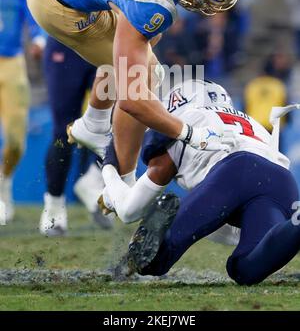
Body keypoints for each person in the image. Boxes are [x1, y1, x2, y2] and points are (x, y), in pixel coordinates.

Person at [25, 0, 248, 184]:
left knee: (139, 44)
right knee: (147, 75)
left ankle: (93, 123)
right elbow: (132, 100)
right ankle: (123, 182)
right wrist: (189, 133)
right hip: (56, 1)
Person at [100, 79, 300, 286]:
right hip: (282, 183)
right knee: (246, 268)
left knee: (152, 261)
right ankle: (296, 224)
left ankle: (159, 246)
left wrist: (109, 168)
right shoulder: (253, 123)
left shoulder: (180, 124)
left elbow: (131, 210)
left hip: (234, 173)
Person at [39, 0, 129, 236]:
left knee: (116, 121)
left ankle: (94, 186)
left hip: (108, 41)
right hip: (65, 42)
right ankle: (54, 204)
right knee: (64, 126)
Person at [0, 0, 45, 223]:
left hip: (12, 60)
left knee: (16, 139)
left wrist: (40, 37)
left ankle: (3, 183)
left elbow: (31, 11)